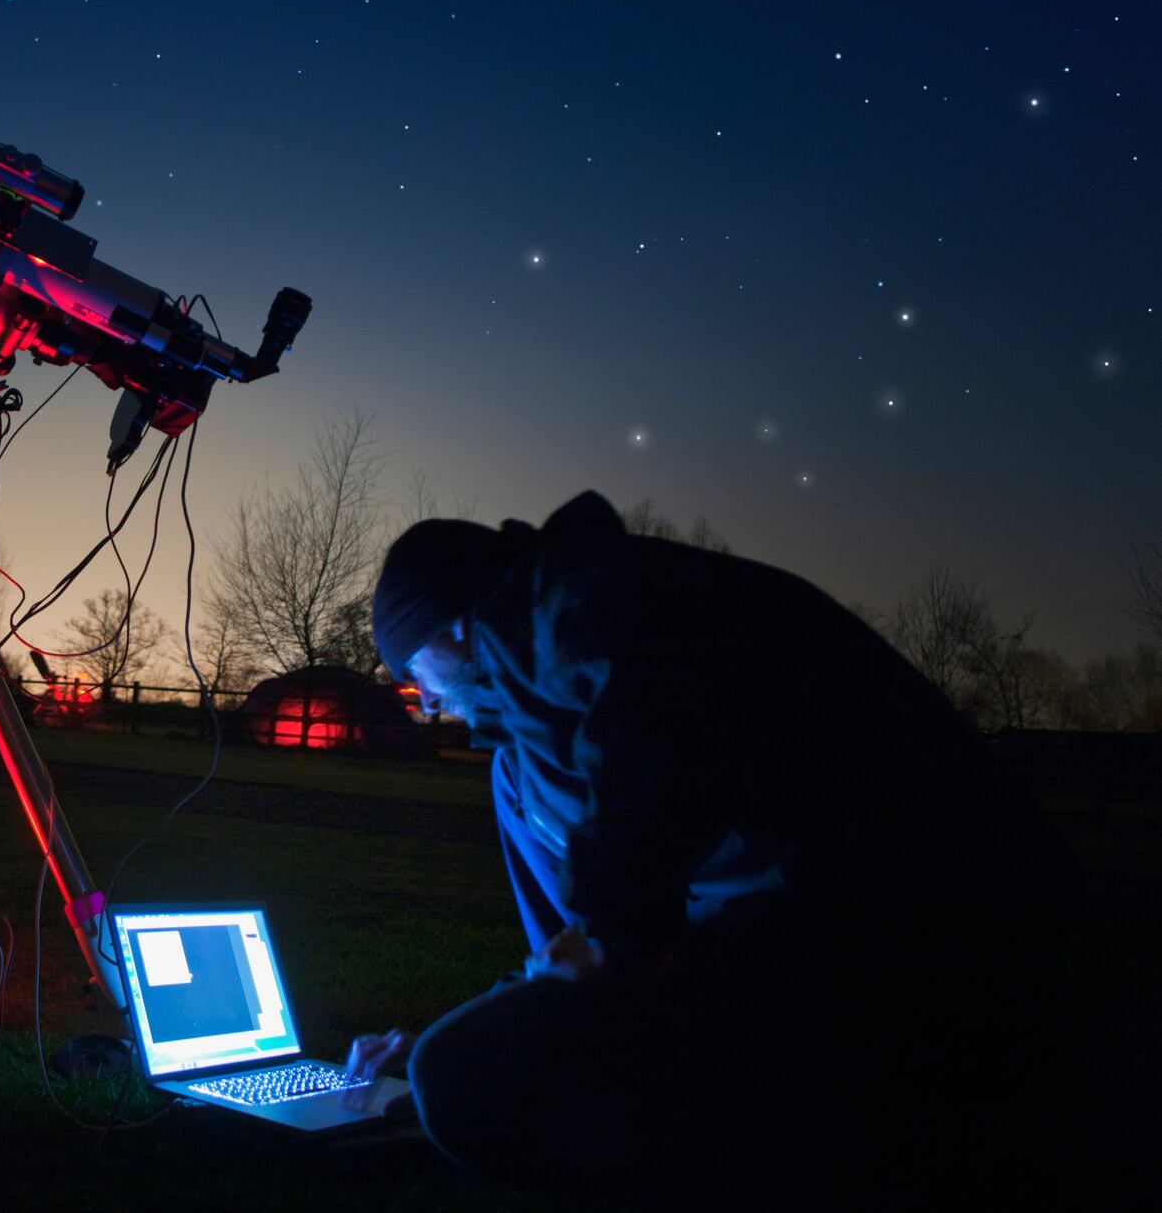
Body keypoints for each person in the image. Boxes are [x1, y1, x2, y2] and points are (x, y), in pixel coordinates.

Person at [344, 490, 1076, 1205]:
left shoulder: (581, 595)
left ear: (456, 628)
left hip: (901, 928)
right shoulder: (528, 743)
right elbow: (583, 939)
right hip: (778, 936)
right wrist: (531, 1006)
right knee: (466, 1037)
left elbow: (647, 720)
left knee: (460, 1077)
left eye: (414, 677)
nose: (426, 703)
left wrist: (615, 938)